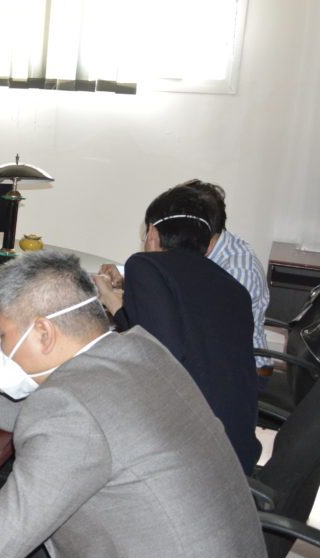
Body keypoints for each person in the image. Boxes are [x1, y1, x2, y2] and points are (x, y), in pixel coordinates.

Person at [0, 251, 271, 558]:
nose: (2, 349)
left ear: (43, 333)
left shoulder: (68, 411)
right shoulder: (143, 350)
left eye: (4, 335)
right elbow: (88, 430)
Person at [94, 185, 261, 473]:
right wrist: (118, 301)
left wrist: (109, 298)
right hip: (235, 450)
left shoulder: (144, 265)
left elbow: (157, 355)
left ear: (152, 233)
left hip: (187, 455)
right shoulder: (231, 285)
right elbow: (170, 337)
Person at [180, 179, 272, 372]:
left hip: (242, 371)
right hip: (214, 356)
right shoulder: (206, 251)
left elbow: (214, 336)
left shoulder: (237, 271)